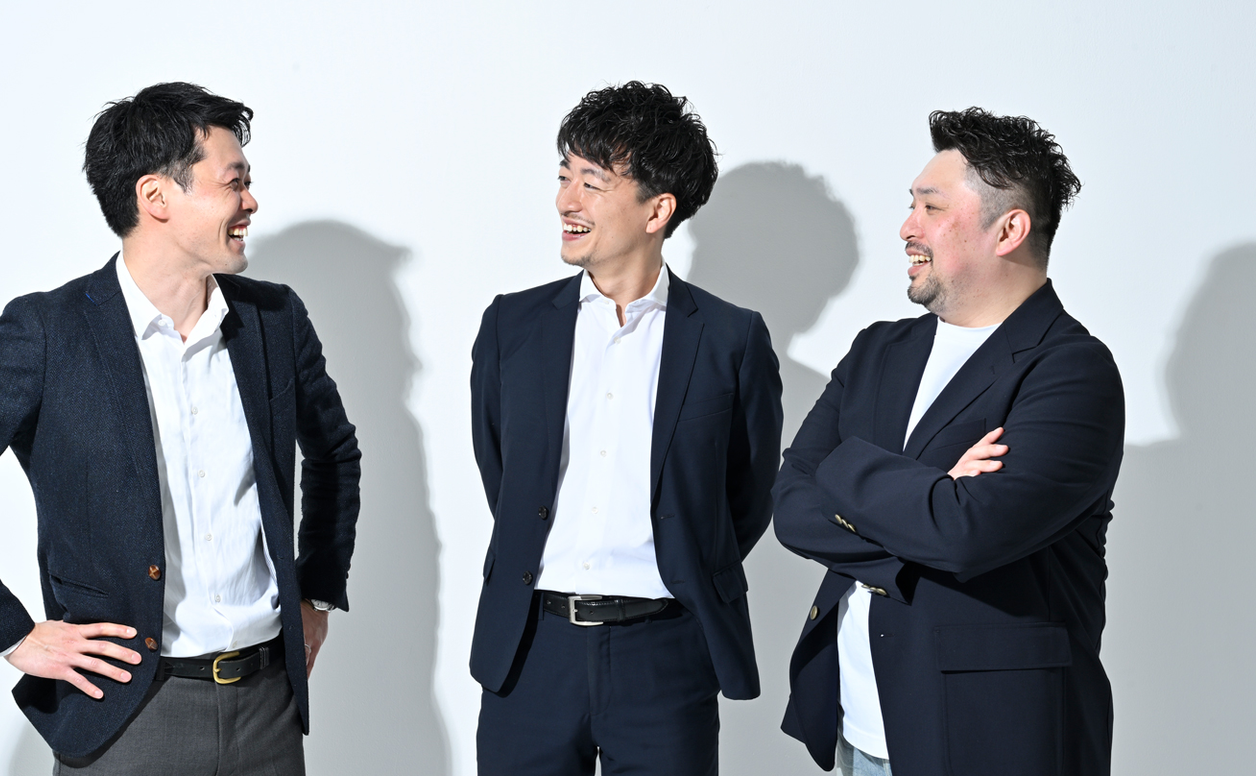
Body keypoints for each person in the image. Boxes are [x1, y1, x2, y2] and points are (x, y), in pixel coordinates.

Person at [0, 82, 360, 774]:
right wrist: (8, 632)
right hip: (127, 713)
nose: (251, 202)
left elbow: (335, 454)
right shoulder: (49, 332)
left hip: (268, 710)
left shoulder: (273, 320)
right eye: (234, 182)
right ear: (156, 197)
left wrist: (316, 591)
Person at [772, 107, 1124, 775]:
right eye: (911, 205)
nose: (907, 228)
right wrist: (932, 491)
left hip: (993, 740)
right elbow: (790, 505)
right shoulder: (878, 350)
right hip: (859, 731)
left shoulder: (1073, 370)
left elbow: (966, 536)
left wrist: (844, 470)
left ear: (1008, 230)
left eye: (931, 208)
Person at [468, 81, 782, 775]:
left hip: (666, 654)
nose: (566, 201)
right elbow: (504, 473)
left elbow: (747, 495)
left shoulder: (731, 339)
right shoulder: (511, 326)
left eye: (592, 182)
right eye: (564, 177)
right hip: (531, 648)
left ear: (657, 210)